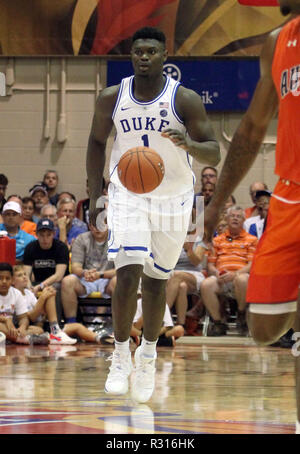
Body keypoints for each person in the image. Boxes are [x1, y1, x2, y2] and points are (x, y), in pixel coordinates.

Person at [86, 26, 220, 403]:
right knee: (128, 270)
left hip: (173, 199)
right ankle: (120, 354)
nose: (144, 57)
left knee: (157, 280)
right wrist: (96, 196)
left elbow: (214, 151)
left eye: (151, 51)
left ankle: (147, 354)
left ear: (164, 55)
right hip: (128, 194)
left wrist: (189, 143)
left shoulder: (185, 100)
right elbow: (96, 142)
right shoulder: (112, 97)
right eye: (138, 52)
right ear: (132, 56)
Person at [204, 1, 300, 434]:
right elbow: (251, 127)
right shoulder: (278, 41)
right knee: (264, 326)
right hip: (289, 193)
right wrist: (216, 200)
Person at [202, 206, 258, 336]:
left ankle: (241, 314)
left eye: (238, 216)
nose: (235, 219)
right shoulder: (217, 240)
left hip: (241, 277)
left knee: (242, 279)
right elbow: (210, 265)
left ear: (244, 220)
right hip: (221, 278)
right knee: (206, 285)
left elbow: (251, 264)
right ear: (226, 219)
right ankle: (218, 323)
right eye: (232, 216)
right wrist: (217, 273)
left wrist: (235, 274)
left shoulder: (252, 240)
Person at [61, 216, 116, 324]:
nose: (97, 229)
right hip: (86, 278)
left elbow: (120, 270)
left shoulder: (116, 240)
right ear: (90, 226)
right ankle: (71, 325)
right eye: (94, 225)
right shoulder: (81, 239)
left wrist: (100, 275)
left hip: (107, 278)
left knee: (120, 281)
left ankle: (119, 328)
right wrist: (84, 273)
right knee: (67, 281)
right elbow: (76, 267)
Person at [12, 265, 76, 345]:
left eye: (25, 274)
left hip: (31, 325)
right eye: (20, 275)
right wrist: (42, 298)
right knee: (46, 295)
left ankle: (55, 330)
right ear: (12, 281)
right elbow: (30, 317)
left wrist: (44, 305)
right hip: (19, 326)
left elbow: (39, 312)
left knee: (49, 293)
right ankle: (48, 334)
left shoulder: (28, 293)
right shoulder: (13, 293)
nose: (24, 277)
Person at [0, 262, 43, 345]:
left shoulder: (16, 293)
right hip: (4, 326)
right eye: (0, 278)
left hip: (12, 329)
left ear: (12, 280)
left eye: (7, 278)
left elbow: (23, 317)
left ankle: (14, 337)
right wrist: (6, 320)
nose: (4, 281)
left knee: (38, 330)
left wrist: (22, 328)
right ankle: (20, 339)